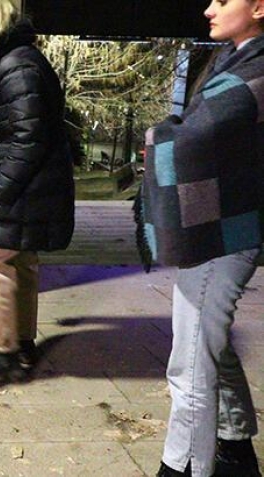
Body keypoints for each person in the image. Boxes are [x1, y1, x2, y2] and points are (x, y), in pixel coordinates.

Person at [140, 1, 264, 476]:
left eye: (223, 0)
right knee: (210, 343)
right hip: (224, 225)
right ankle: (234, 446)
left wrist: (158, 137)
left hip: (225, 233)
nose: (208, 8)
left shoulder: (255, 66)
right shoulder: (235, 56)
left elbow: (195, 135)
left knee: (189, 361)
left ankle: (184, 467)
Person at [0, 0, 74, 387]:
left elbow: (29, 139)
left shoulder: (17, 68)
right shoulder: (16, 61)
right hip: (33, 184)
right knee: (20, 258)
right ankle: (21, 343)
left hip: (22, 184)